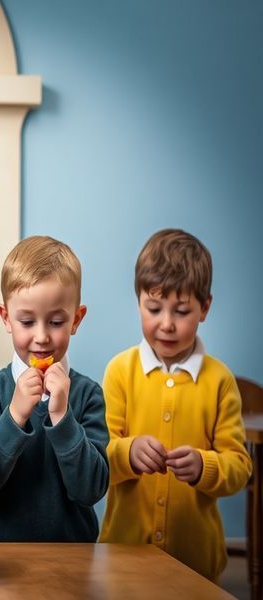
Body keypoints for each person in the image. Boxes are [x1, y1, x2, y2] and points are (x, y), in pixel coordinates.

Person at [99, 228, 251, 581]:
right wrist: (128, 452)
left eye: (181, 311)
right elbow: (98, 456)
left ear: (205, 308)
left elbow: (240, 467)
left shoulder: (219, 380)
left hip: (196, 563)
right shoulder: (120, 371)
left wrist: (204, 466)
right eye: (154, 308)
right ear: (138, 301)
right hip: (124, 559)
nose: (166, 324)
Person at [0, 235, 108, 542]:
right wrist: (14, 415)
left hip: (73, 562)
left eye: (56, 322)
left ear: (76, 320)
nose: (41, 337)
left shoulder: (88, 395)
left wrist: (62, 417)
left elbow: (91, 490)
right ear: (6, 318)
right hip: (4, 560)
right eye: (26, 321)